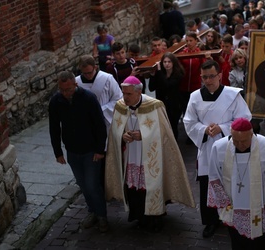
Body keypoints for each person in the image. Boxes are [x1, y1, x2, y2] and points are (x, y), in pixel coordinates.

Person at [104, 76, 195, 232]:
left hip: (151, 158)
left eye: (128, 94)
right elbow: (115, 130)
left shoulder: (154, 106)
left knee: (151, 186)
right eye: (123, 93)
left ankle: (155, 217)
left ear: (139, 92)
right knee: (133, 187)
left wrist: (144, 136)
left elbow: (165, 134)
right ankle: (138, 216)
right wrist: (122, 136)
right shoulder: (120, 106)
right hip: (131, 155)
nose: (124, 97)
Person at [183, 60, 252, 238]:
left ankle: (231, 216)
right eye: (204, 77)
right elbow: (189, 121)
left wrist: (222, 128)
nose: (208, 80)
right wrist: (204, 130)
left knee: (229, 182)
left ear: (220, 75)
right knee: (208, 185)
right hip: (206, 147)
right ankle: (210, 221)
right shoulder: (195, 97)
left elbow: (244, 118)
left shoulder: (233, 95)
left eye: (212, 76)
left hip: (229, 146)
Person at [208, 117, 265, 249]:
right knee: (239, 242)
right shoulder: (219, 147)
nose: (240, 145)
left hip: (260, 205)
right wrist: (223, 200)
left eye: (244, 141)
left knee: (264, 242)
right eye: (236, 141)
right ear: (231, 134)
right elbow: (214, 176)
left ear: (252, 135)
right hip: (234, 205)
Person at [49, 71, 108, 232]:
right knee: (82, 184)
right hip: (72, 150)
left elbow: (99, 125)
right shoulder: (56, 101)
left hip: (90, 150)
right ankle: (92, 211)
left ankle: (102, 215)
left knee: (92, 184)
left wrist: (100, 149)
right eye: (62, 89)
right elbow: (54, 127)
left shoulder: (88, 98)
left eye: (68, 89)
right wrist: (57, 152)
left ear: (75, 85)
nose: (65, 93)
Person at [76, 55, 122, 131]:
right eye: (84, 73)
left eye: (89, 72)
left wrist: (100, 110)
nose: (87, 75)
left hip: (106, 120)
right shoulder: (77, 82)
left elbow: (118, 99)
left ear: (95, 67)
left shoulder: (107, 79)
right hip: (85, 122)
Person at [149, 52, 185, 139]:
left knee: (173, 126)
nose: (167, 64)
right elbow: (151, 88)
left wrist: (160, 72)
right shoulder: (159, 73)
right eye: (165, 62)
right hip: (162, 103)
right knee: (162, 127)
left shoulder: (178, 74)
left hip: (174, 105)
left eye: (169, 62)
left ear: (173, 63)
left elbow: (168, 85)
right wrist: (153, 76)